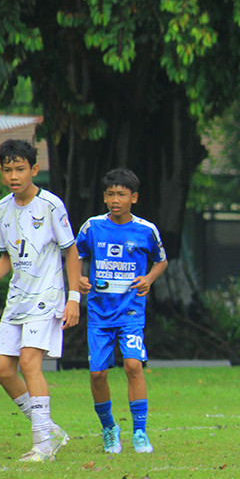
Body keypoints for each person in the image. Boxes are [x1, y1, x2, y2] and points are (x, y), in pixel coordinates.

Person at [0, 139, 80, 462]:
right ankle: (51, 430)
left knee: (30, 363)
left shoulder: (51, 205)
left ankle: (43, 446)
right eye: (8, 170)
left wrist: (73, 298)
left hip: (47, 296)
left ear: (34, 169)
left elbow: (71, 250)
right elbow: (9, 256)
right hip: (17, 299)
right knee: (2, 370)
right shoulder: (2, 209)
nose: (14, 176)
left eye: (20, 169)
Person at [75, 168, 168, 454]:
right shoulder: (92, 227)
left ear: (134, 198)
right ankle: (109, 428)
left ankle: (139, 432)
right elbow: (75, 255)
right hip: (99, 314)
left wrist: (149, 278)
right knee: (97, 374)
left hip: (131, 313)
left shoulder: (146, 230)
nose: (116, 200)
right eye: (111, 194)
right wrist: (78, 278)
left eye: (122, 195)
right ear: (104, 197)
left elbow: (161, 260)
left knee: (133, 366)